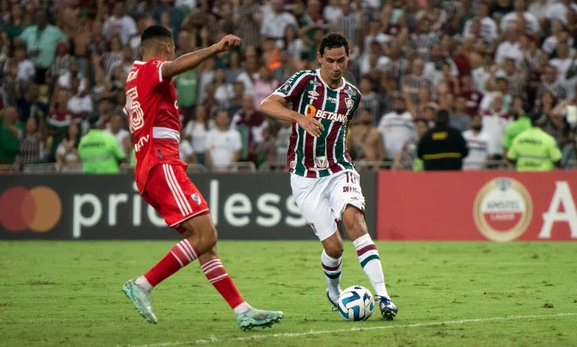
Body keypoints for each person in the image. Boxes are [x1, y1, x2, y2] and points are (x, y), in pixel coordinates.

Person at [122, 25, 282, 329]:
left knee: (205, 244)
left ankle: (241, 309)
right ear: (167, 48)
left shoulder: (133, 76)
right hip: (161, 161)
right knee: (206, 235)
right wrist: (214, 49)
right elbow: (174, 67)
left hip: (152, 164)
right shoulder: (151, 69)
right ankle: (143, 284)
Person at [260, 33, 398, 320]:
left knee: (354, 221)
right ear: (320, 58)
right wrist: (299, 118)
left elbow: (340, 130)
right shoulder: (304, 81)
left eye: (342, 60)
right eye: (330, 61)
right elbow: (267, 105)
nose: (336, 66)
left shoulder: (352, 95)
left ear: (349, 57)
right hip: (305, 176)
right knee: (334, 247)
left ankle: (384, 296)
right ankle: (333, 291)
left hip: (339, 169)